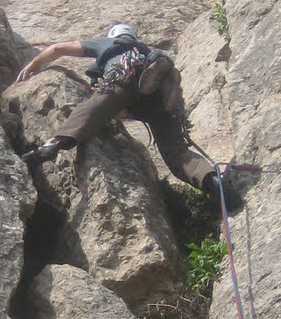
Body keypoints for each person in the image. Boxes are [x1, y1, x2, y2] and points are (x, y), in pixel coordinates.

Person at [15, 21, 226, 196]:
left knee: (91, 109)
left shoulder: (109, 42)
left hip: (123, 77)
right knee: (177, 153)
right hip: (156, 100)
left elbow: (58, 49)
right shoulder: (145, 49)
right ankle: (213, 181)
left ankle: (53, 145)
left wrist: (35, 63)